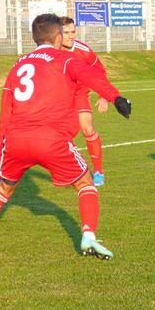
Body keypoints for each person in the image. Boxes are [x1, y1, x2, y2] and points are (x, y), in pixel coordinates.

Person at [0, 14, 132, 261]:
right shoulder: (65, 59)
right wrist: (116, 97)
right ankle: (89, 236)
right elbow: (91, 76)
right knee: (85, 183)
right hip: (50, 140)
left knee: (2, 190)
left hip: (16, 141)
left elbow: (4, 116)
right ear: (58, 37)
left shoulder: (17, 65)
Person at [61, 16, 109, 187]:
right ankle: (5, 174)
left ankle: (98, 172)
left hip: (79, 94)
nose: (71, 36)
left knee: (87, 129)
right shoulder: (51, 50)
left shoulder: (84, 50)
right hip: (59, 96)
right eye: (66, 32)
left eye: (73, 32)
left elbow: (99, 72)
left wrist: (103, 95)